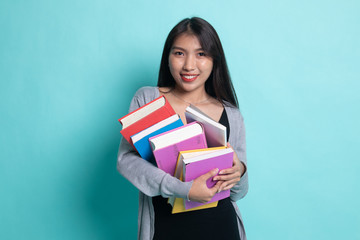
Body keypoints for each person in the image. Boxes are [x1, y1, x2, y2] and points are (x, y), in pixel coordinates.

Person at [117, 17, 248, 240]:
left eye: (201, 54)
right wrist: (184, 190)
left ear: (215, 60)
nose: (189, 65)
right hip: (167, 229)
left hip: (222, 228)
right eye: (179, 53)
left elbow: (238, 192)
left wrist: (240, 171)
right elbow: (127, 162)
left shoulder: (231, 114)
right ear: (167, 57)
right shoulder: (149, 99)